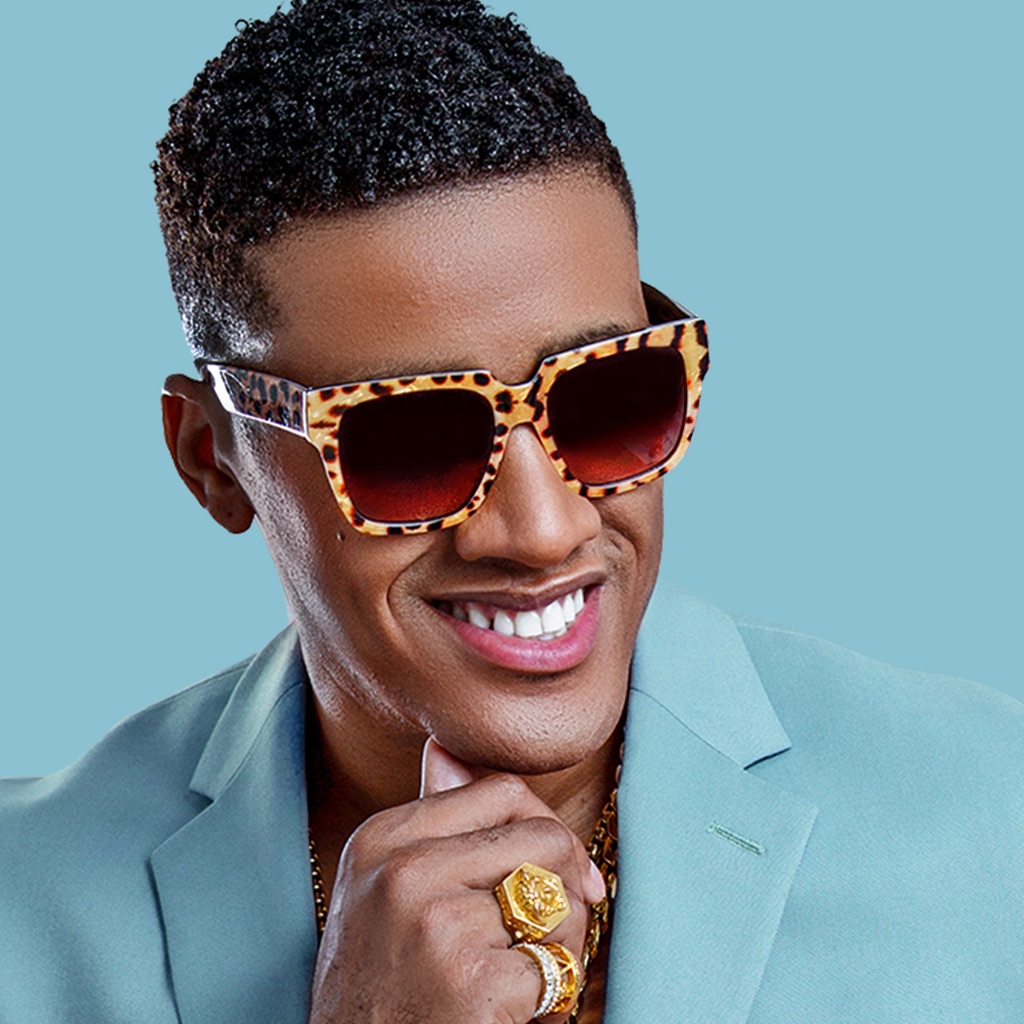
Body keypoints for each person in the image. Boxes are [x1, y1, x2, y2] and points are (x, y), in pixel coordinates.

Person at [1, 2, 1020, 1022]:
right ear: (212, 460)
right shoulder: (23, 912)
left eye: (609, 397)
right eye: (409, 439)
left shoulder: (992, 811)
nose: (543, 529)